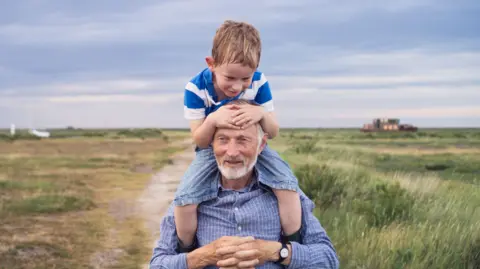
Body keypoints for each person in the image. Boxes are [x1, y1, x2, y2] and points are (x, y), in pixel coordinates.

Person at [174, 19, 303, 252]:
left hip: (253, 146)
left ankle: (293, 242)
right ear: (211, 64)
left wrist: (260, 113)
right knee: (185, 197)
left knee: (287, 186)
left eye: (245, 79)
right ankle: (187, 248)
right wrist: (213, 120)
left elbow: (272, 132)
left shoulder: (260, 82)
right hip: (209, 149)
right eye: (230, 78)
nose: (237, 87)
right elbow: (199, 140)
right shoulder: (195, 89)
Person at [149, 114, 340, 268]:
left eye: (242, 140)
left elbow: (328, 259)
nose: (231, 152)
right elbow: (157, 264)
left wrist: (274, 252)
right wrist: (205, 255)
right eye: (223, 140)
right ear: (211, 145)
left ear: (261, 145)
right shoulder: (190, 197)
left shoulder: (286, 195)